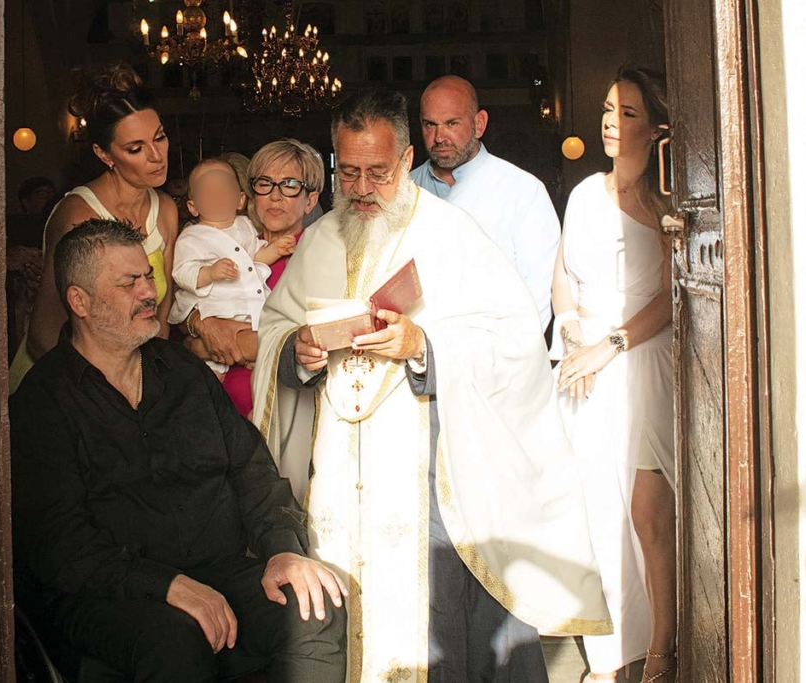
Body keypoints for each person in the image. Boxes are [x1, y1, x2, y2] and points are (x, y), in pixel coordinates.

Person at [253, 87, 611, 682]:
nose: (362, 188)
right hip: (337, 482)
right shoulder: (319, 239)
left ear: (405, 158)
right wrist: (299, 350)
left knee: (438, 624)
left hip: (429, 474)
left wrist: (423, 346)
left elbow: (514, 341)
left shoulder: (451, 235)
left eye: (378, 172)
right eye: (349, 173)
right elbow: (273, 332)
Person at [11, 218, 347, 683]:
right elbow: (61, 546)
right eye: (128, 283)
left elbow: (252, 473)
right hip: (110, 594)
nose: (148, 292)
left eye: (148, 276)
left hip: (219, 573)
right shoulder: (43, 400)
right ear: (79, 302)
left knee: (314, 608)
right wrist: (166, 585)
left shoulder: (184, 371)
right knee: (175, 640)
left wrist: (282, 552)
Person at [550, 66, 676, 683]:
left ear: (655, 130)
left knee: (646, 513)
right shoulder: (582, 194)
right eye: (607, 109)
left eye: (627, 113)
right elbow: (562, 278)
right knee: (595, 509)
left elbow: (674, 294)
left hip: (642, 360)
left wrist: (609, 345)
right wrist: (576, 338)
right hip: (587, 365)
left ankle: (662, 650)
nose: (610, 122)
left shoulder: (664, 202)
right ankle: (611, 654)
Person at [8, 63, 177, 394]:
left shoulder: (166, 209)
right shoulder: (77, 215)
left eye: (160, 137)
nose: (157, 156)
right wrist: (99, 401)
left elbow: (160, 320)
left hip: (132, 382)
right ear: (104, 154)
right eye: (135, 148)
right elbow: (44, 334)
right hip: (66, 384)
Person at [181, 139, 324, 423]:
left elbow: (307, 343)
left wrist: (204, 344)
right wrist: (199, 324)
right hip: (218, 409)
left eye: (290, 185)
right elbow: (184, 307)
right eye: (265, 184)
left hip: (278, 411)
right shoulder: (228, 247)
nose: (275, 196)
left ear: (310, 201)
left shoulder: (315, 256)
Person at [410, 75, 560, 334]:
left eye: (451, 123)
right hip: (417, 350)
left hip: (499, 351)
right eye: (429, 124)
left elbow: (538, 296)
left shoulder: (523, 191)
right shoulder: (405, 190)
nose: (439, 137)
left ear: (479, 124)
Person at [169, 158, 297, 381]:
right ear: (193, 206)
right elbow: (182, 273)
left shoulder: (245, 226)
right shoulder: (192, 237)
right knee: (212, 377)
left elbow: (255, 257)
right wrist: (210, 273)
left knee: (263, 373)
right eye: (207, 191)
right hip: (219, 310)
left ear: (240, 199)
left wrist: (276, 250)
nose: (217, 195)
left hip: (254, 311)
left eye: (224, 188)